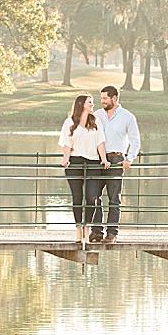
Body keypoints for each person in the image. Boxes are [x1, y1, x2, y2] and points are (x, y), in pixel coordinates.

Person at [90, 85, 141, 245]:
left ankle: (112, 233)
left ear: (114, 98)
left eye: (105, 98)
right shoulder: (97, 115)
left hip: (116, 160)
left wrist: (129, 159)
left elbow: (135, 141)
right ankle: (96, 231)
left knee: (114, 199)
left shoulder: (128, 117)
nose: (102, 101)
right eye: (101, 99)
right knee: (93, 197)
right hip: (98, 160)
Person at [58, 93, 108, 247]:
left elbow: (100, 142)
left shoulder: (96, 121)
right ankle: (79, 230)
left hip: (92, 162)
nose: (93, 105)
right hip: (75, 162)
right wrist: (66, 159)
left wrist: (104, 159)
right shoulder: (69, 122)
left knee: (92, 198)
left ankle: (87, 229)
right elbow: (67, 143)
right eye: (90, 102)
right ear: (81, 104)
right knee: (77, 198)